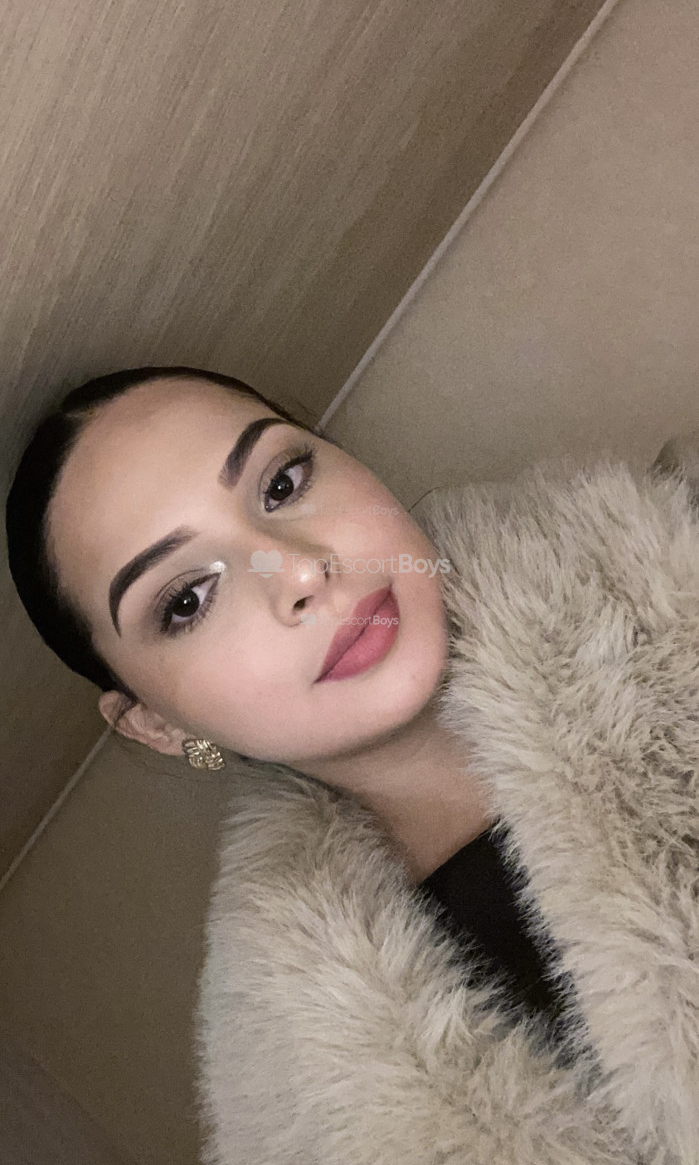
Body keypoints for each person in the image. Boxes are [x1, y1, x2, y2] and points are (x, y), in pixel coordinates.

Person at [6, 367, 699, 1164]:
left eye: (282, 484)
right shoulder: (302, 1114)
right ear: (157, 724)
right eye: (188, 598)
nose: (300, 571)